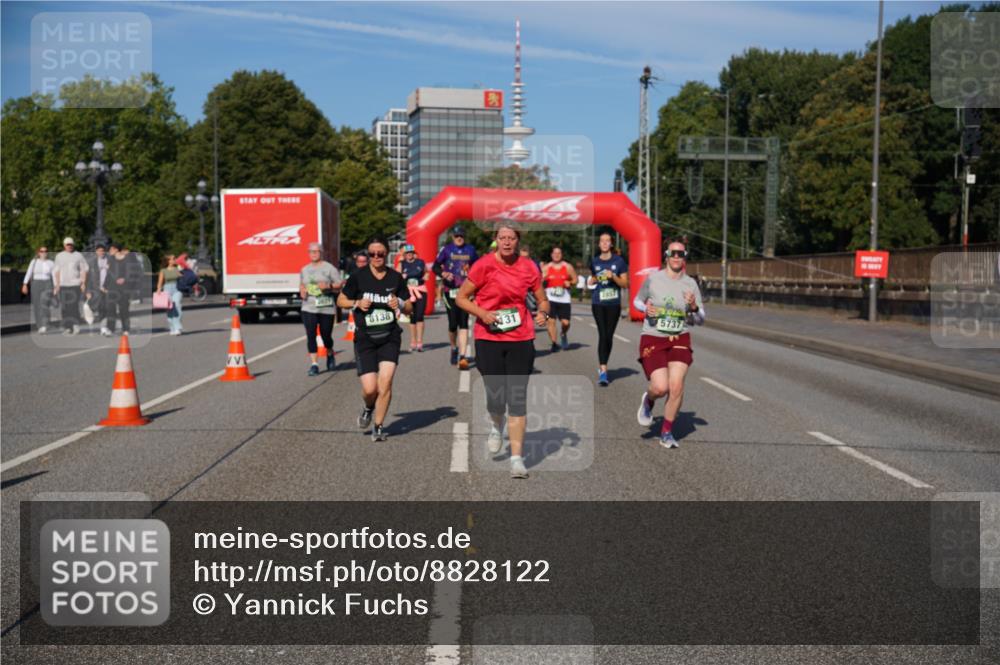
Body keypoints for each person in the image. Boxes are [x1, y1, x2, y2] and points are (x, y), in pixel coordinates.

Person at [458, 224, 549, 479]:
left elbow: (542, 299)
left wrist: (543, 312)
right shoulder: (483, 265)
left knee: (517, 398)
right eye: (502, 238)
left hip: (521, 338)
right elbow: (461, 298)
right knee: (496, 395)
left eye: (511, 238)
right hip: (489, 338)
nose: (507, 242)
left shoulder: (528, 267)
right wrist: (483, 313)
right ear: (496, 240)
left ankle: (517, 460)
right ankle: (497, 425)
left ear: (518, 241)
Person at [337, 239, 413, 442]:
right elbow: (340, 300)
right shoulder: (358, 276)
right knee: (370, 389)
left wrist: (401, 303)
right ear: (368, 255)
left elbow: (409, 308)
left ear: (387, 254)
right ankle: (368, 407)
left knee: (385, 382)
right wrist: (356, 302)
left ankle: (378, 426)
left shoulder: (395, 277)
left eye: (380, 253)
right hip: (365, 338)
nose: (376, 257)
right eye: (372, 254)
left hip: (390, 336)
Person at [633, 240, 705, 449]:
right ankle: (649, 400)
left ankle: (666, 432)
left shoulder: (690, 284)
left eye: (680, 254)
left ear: (684, 258)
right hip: (653, 336)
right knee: (660, 387)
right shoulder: (654, 279)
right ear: (666, 255)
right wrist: (646, 309)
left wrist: (693, 306)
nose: (676, 257)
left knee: (676, 386)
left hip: (679, 337)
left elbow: (701, 319)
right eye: (673, 253)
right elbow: (637, 301)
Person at [432, 225, 479, 369]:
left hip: (465, 292)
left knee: (463, 323)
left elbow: (478, 267)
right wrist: (443, 273)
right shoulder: (446, 250)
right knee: (453, 324)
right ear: (453, 237)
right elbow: (435, 267)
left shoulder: (471, 250)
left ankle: (463, 356)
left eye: (461, 236)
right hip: (449, 291)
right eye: (457, 236)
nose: (459, 238)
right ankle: (454, 348)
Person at [588, 233, 629, 386]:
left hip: (613, 303)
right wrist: (592, 280)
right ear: (599, 244)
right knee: (603, 334)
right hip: (598, 302)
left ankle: (604, 364)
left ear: (611, 244)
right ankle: (603, 370)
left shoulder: (619, 261)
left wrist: (614, 277)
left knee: (609, 336)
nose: (604, 243)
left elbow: (625, 284)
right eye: (602, 241)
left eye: (607, 241)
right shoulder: (595, 261)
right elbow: (593, 279)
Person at [299, 242, 342, 375]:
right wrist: (302, 291)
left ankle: (330, 352)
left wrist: (328, 286)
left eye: (316, 251)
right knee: (311, 334)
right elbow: (302, 284)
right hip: (308, 306)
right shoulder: (304, 269)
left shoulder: (329, 268)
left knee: (326, 335)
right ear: (308, 253)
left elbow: (339, 284)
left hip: (326, 307)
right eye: (311, 251)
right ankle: (314, 364)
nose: (314, 254)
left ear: (321, 253)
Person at [541, 246, 577, 352]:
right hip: (550, 299)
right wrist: (542, 280)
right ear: (551, 255)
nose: (556, 255)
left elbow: (575, 280)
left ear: (562, 255)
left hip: (564, 299)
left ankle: (563, 334)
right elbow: (538, 281)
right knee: (551, 321)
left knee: (566, 323)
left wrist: (570, 282)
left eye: (559, 253)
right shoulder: (546, 267)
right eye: (555, 253)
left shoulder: (568, 267)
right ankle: (554, 343)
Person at [52, 237, 88, 336]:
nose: (69, 246)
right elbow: (56, 271)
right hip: (63, 285)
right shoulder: (59, 256)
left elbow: (84, 269)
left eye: (71, 244)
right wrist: (57, 285)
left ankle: (75, 325)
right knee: (64, 307)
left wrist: (83, 283)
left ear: (73, 245)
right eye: (68, 244)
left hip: (75, 285)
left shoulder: (78, 255)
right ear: (64, 245)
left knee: (73, 306)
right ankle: (67, 327)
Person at [398, 244, 429, 352]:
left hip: (420, 291)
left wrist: (425, 278)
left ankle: (420, 342)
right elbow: (396, 275)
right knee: (412, 317)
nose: (409, 254)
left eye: (411, 252)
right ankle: (413, 341)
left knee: (420, 316)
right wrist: (401, 276)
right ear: (404, 254)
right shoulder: (402, 264)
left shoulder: (420, 262)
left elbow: (426, 273)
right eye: (407, 253)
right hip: (408, 293)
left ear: (414, 253)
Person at [22, 245, 54, 333]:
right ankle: (40, 325)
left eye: (46, 251)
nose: (44, 253)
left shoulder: (51, 263)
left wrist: (56, 287)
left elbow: (54, 275)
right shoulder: (34, 262)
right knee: (37, 305)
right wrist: (25, 284)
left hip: (47, 283)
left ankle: (45, 324)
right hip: (36, 283)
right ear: (39, 253)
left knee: (45, 303)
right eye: (42, 251)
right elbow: (29, 273)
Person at [105, 242, 135, 335]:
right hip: (112, 287)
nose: (109, 251)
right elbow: (108, 274)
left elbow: (132, 273)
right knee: (110, 309)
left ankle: (126, 329)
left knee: (124, 309)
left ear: (116, 249)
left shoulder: (127, 259)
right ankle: (110, 329)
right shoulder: (110, 259)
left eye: (111, 249)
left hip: (124, 288)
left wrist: (124, 279)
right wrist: (105, 286)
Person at [86, 243, 112, 336]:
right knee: (100, 308)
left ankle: (105, 327)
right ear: (96, 252)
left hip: (108, 288)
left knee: (108, 308)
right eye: (99, 251)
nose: (101, 252)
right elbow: (88, 278)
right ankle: (103, 327)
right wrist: (88, 291)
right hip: (96, 289)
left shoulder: (110, 260)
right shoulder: (92, 262)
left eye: (103, 250)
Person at [156, 254, 184, 335]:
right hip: (167, 290)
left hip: (177, 289)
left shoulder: (177, 269)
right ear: (168, 261)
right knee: (170, 309)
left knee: (177, 306)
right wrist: (158, 289)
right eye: (173, 259)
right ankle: (172, 328)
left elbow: (183, 277)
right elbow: (160, 282)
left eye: (175, 258)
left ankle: (178, 327)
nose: (174, 260)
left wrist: (182, 269)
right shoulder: (163, 270)